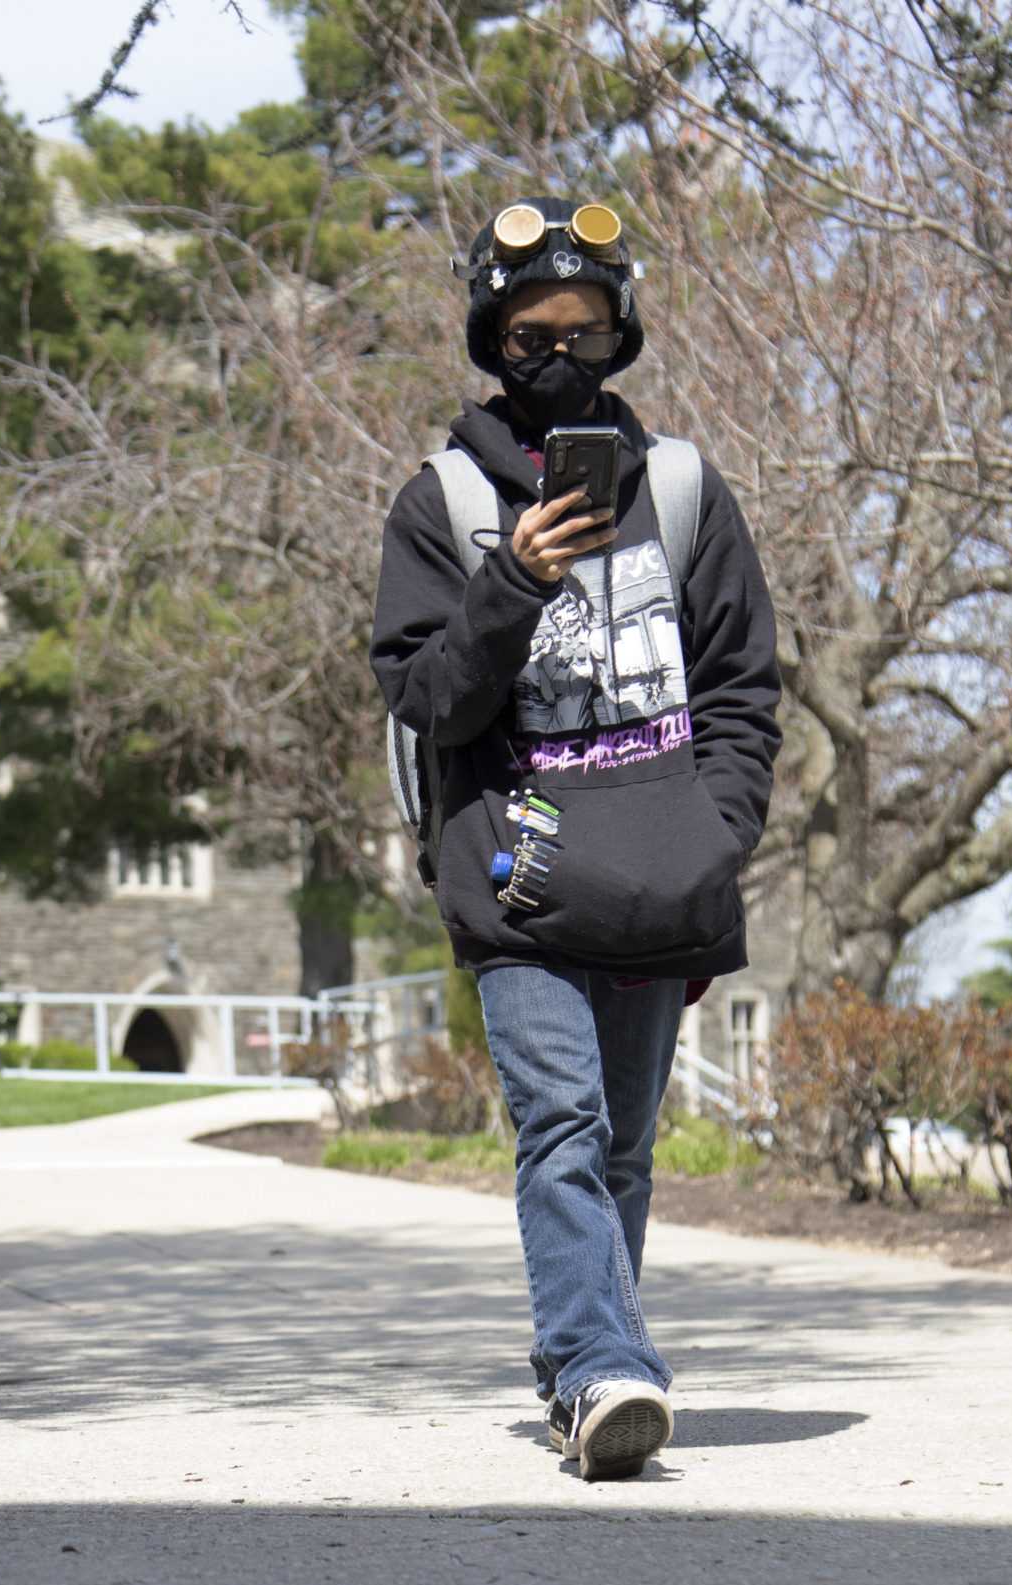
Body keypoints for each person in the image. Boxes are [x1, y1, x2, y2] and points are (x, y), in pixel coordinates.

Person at [371, 197, 782, 1481]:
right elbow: (426, 701)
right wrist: (517, 580)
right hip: (520, 872)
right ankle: (608, 1366)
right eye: (531, 335)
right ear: (493, 342)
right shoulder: (441, 502)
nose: (560, 358)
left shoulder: (681, 489)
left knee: (622, 1148)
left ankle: (583, 1368)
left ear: (622, 335)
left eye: (585, 331)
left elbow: (741, 688)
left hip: (661, 868)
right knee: (559, 1122)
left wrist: (717, 835)